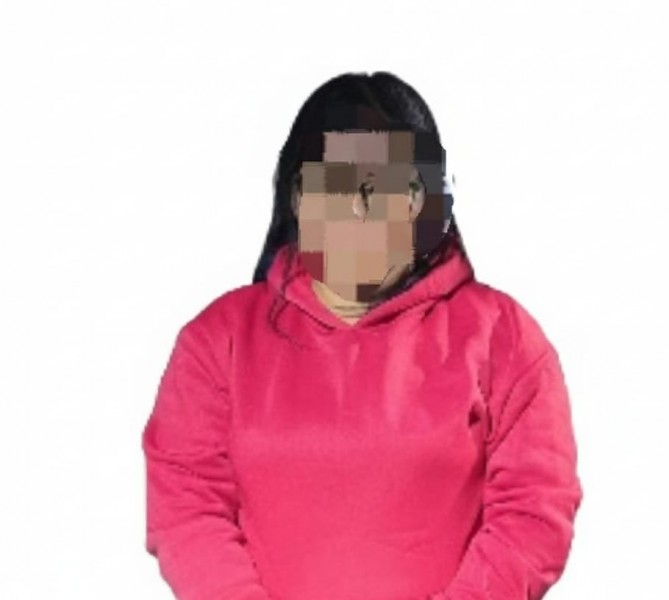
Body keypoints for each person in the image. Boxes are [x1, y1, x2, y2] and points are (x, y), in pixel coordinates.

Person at [141, 71, 584, 600]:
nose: (356, 211)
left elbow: (533, 512)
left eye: (380, 188)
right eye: (332, 186)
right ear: (296, 199)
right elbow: (188, 505)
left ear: (420, 200)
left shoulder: (504, 336)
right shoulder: (217, 341)